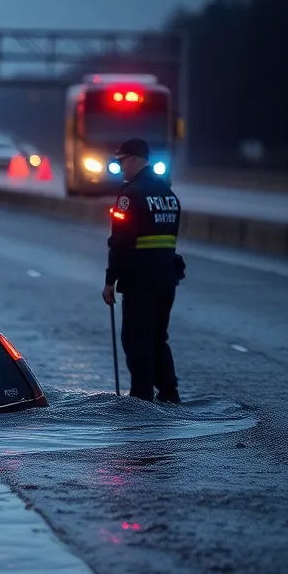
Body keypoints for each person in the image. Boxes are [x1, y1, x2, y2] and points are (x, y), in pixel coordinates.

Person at [101, 138, 186, 403]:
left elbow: (121, 241)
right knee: (158, 336)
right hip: (166, 279)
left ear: (134, 159)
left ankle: (141, 396)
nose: (120, 167)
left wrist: (110, 280)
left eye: (122, 161)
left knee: (136, 338)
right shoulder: (168, 195)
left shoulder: (130, 196)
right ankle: (169, 392)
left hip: (140, 280)